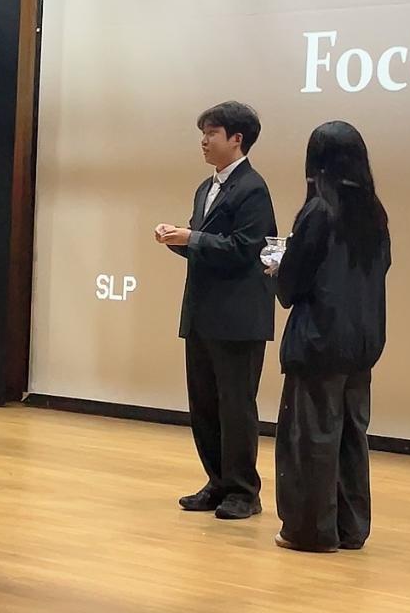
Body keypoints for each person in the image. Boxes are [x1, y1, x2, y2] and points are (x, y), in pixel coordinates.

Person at [271, 121, 391, 552]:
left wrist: (277, 268)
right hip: (362, 342)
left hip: (319, 341)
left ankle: (310, 531)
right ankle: (350, 527)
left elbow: (293, 283)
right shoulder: (374, 212)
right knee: (351, 437)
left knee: (311, 439)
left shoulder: (319, 210)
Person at [155, 101, 277, 520]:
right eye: (203, 133)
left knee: (236, 406)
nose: (204, 141)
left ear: (236, 139)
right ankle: (218, 481)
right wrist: (178, 239)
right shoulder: (204, 188)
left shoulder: (253, 188)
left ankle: (244, 490)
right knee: (204, 404)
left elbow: (247, 249)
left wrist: (191, 238)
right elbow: (205, 248)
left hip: (238, 318)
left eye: (212, 133)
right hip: (202, 313)